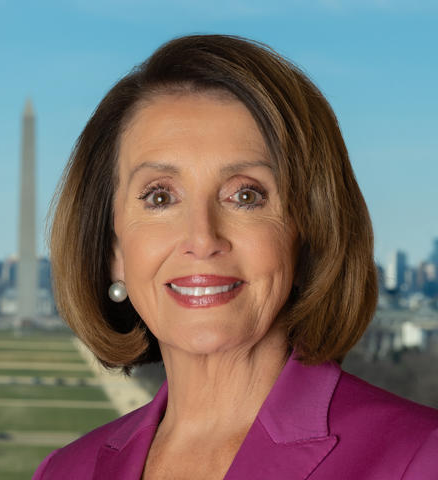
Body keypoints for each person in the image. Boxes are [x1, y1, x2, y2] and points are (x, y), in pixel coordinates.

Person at [33, 34, 438, 479]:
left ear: (310, 234)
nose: (202, 238)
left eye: (245, 195)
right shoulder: (64, 471)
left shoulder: (421, 457)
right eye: (160, 197)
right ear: (114, 252)